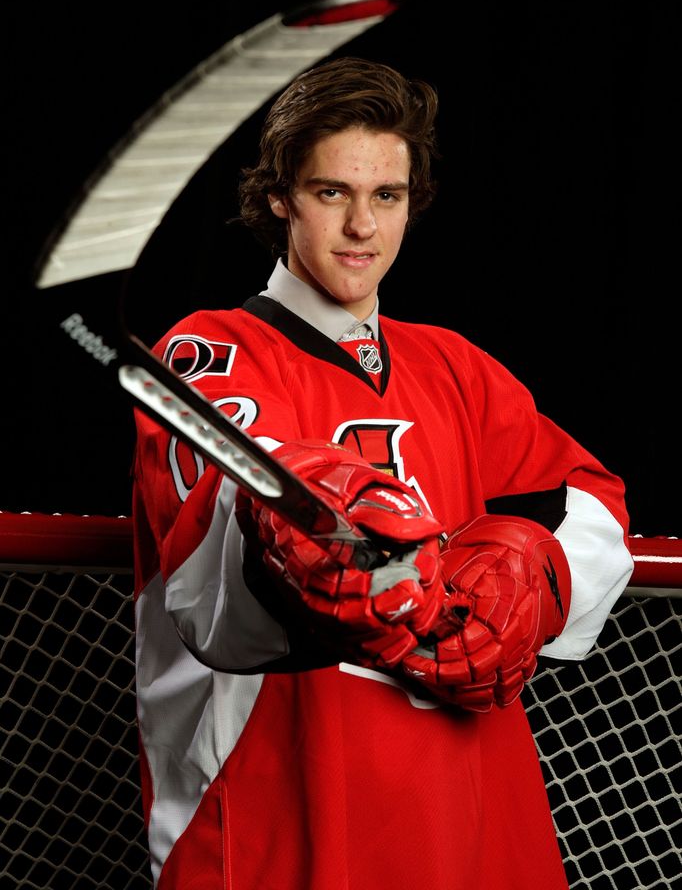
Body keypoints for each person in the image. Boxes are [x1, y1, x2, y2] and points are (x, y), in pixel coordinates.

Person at [131, 56, 634, 889]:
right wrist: (293, 533)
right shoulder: (209, 355)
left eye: (386, 197)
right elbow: (208, 576)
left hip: (470, 814)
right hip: (278, 820)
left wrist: (532, 587)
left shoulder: (458, 367)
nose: (362, 226)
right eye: (333, 193)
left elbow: (589, 499)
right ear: (280, 197)